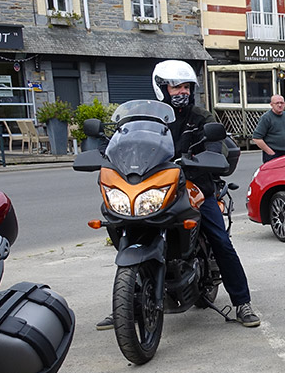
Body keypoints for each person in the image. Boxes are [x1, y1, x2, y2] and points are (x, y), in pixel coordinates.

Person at [97, 60, 259, 330]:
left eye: (186, 86)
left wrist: (209, 153)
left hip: (195, 186)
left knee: (220, 240)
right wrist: (106, 151)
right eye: (175, 86)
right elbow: (121, 140)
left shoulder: (200, 117)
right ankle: (125, 306)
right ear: (161, 88)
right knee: (124, 226)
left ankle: (242, 302)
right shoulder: (142, 118)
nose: (181, 91)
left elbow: (215, 144)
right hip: (153, 186)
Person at [251, 95, 285, 163]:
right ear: (271, 105)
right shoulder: (266, 118)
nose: (280, 105)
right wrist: (270, 152)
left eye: (282, 103)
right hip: (272, 154)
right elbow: (257, 138)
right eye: (277, 103)